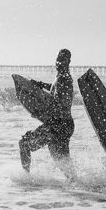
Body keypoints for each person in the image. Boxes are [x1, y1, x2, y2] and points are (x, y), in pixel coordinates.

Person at [18, 48, 76, 180]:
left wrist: (38, 110)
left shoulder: (64, 79)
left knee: (24, 143)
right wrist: (40, 85)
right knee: (62, 161)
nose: (59, 62)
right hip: (64, 124)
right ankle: (77, 185)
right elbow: (55, 90)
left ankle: (26, 179)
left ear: (69, 61)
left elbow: (60, 104)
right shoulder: (63, 77)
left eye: (63, 59)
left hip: (58, 125)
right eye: (58, 59)